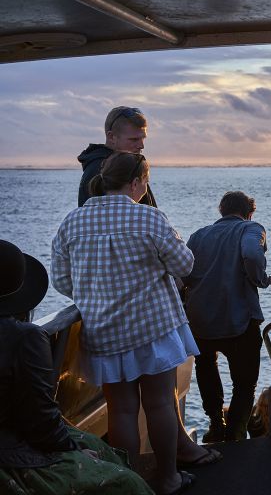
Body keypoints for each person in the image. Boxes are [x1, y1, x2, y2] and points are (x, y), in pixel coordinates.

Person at [50, 153, 216, 495]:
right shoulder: (148, 218)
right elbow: (185, 265)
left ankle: (132, 481)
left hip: (103, 332)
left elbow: (62, 281)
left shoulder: (72, 222)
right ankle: (168, 478)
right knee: (159, 403)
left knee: (122, 411)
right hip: (151, 326)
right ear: (138, 182)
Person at [0, 240, 154, 495]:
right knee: (128, 483)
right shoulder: (24, 338)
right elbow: (40, 419)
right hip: (10, 455)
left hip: (13, 438)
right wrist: (73, 450)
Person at [183, 191, 270, 443]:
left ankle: (215, 424)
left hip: (201, 320)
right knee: (244, 384)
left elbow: (183, 272)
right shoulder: (251, 228)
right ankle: (235, 433)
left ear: (221, 211)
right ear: (249, 212)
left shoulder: (198, 235)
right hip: (239, 320)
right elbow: (253, 255)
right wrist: (259, 279)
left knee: (206, 366)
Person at [78, 106, 156, 207]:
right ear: (111, 137)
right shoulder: (101, 169)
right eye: (134, 139)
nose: (141, 146)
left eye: (143, 138)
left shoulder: (130, 165)